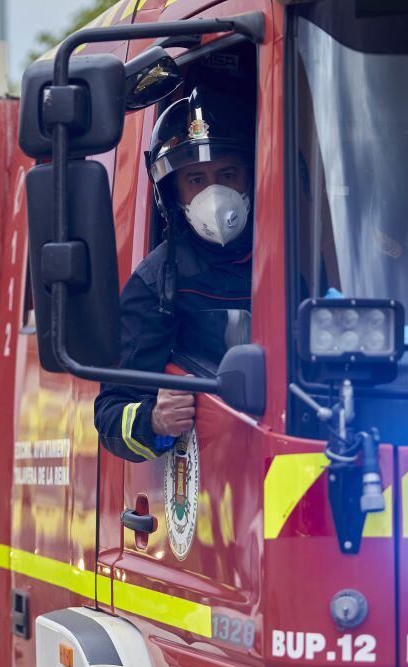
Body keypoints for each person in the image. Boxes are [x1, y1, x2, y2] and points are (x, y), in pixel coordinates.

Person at [95, 88, 254, 462]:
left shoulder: (293, 257)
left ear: (250, 177)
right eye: (196, 180)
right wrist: (153, 419)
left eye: (227, 174)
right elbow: (109, 416)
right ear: (174, 194)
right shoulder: (156, 282)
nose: (214, 193)